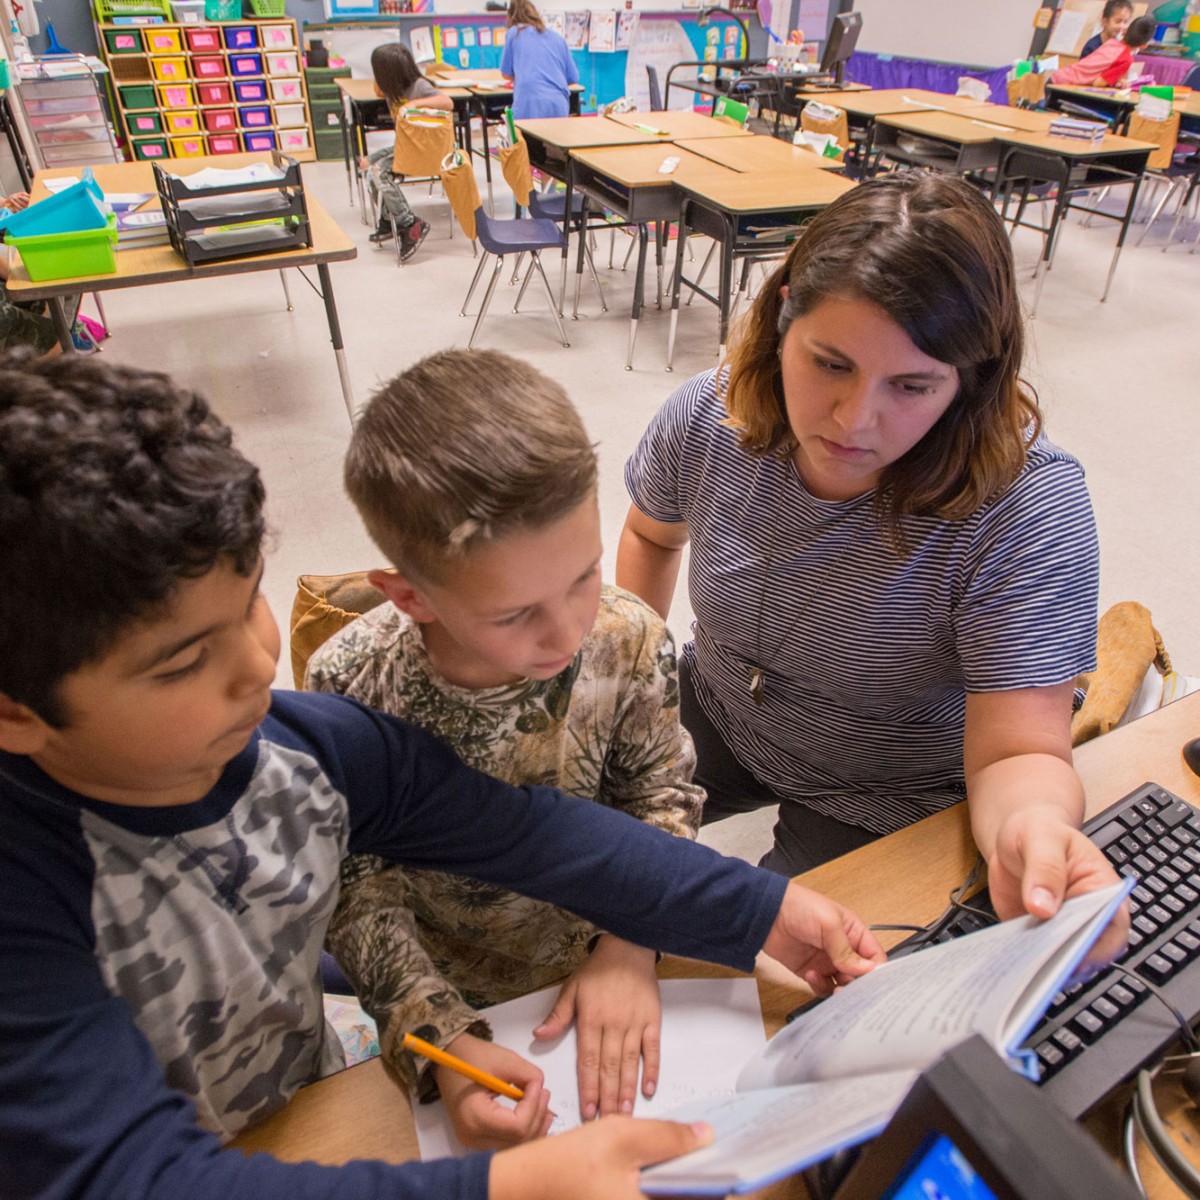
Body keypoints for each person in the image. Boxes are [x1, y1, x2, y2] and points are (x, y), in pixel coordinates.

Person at [0, 351, 885, 1200]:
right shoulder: (27, 894)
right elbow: (124, 1178)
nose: (257, 667)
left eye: (248, 606)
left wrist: (762, 910)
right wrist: (504, 1186)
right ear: (15, 710)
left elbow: (531, 834)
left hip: (289, 1104)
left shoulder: (305, 750)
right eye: (182, 663)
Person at [617, 172, 1127, 960]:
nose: (856, 420)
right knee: (553, 848)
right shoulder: (707, 414)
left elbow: (1019, 752)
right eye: (829, 364)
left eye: (913, 385)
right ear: (782, 312)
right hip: (721, 705)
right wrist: (630, 693)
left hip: (885, 789)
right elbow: (652, 538)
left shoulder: (1027, 507)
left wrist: (1035, 828)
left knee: (755, 986)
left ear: (971, 382)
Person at [304, 349, 703, 1144]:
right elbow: (356, 884)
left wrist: (630, 946)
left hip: (599, 963)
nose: (569, 629)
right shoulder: (348, 684)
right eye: (516, 614)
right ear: (409, 595)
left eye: (584, 575)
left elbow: (661, 796)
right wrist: (439, 1037)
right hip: (443, 992)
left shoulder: (629, 639)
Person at [361, 42, 453, 256]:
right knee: (371, 173)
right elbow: (376, 89)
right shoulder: (391, 89)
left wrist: (415, 105)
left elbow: (447, 102)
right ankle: (388, 218)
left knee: (378, 173)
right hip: (407, 148)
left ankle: (410, 223)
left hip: (426, 152)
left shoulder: (418, 86)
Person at [500, 0, 578, 120]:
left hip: (529, 103)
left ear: (511, 16)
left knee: (527, 138)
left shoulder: (514, 33)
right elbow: (572, 78)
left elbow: (506, 73)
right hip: (559, 104)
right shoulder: (557, 37)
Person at [1049, 13, 1155, 88]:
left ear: (1125, 31)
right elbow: (1098, 83)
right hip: (1065, 86)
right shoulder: (1126, 59)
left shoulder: (1111, 42)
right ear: (1144, 45)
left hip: (1058, 76)